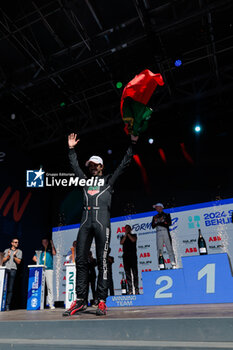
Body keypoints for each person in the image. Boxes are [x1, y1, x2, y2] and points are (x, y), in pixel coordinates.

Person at [63, 132, 138, 316]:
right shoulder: (85, 181)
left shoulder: (109, 181)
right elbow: (74, 166)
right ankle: (80, 300)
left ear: (102, 166)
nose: (92, 167)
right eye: (90, 165)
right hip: (84, 223)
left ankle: (101, 301)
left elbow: (124, 164)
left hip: (101, 223)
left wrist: (133, 144)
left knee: (103, 262)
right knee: (80, 260)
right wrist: (71, 149)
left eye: (96, 165)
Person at [33, 238, 56, 309]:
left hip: (49, 269)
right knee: (39, 286)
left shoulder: (50, 248)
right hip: (41, 269)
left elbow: (54, 253)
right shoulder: (40, 249)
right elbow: (34, 258)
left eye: (46, 241)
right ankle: (39, 303)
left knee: (50, 287)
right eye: (43, 242)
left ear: (48, 242)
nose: (44, 243)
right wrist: (39, 263)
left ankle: (51, 304)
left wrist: (52, 245)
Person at [151, 203, 176, 269]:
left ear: (161, 207)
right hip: (158, 232)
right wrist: (157, 222)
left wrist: (159, 222)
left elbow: (169, 223)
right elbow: (152, 226)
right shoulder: (155, 216)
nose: (156, 208)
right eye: (155, 207)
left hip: (165, 232)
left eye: (157, 207)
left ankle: (173, 263)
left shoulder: (166, 215)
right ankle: (160, 264)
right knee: (159, 249)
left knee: (169, 247)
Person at [3, 237, 22, 311]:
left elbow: (19, 262)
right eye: (15, 242)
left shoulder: (19, 251)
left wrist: (14, 256)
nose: (17, 243)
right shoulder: (6, 250)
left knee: (10, 288)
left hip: (13, 270)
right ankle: (2, 303)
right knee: (3, 287)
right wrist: (7, 256)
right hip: (6, 269)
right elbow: (2, 260)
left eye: (17, 242)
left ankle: (7, 305)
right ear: (12, 243)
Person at [120, 225, 139, 295]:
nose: (127, 229)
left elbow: (133, 240)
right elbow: (121, 242)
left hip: (133, 256)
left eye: (128, 228)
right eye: (126, 228)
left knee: (135, 273)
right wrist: (125, 235)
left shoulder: (134, 235)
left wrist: (128, 234)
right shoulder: (123, 237)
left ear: (130, 229)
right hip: (126, 257)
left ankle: (136, 289)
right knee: (127, 274)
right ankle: (130, 289)